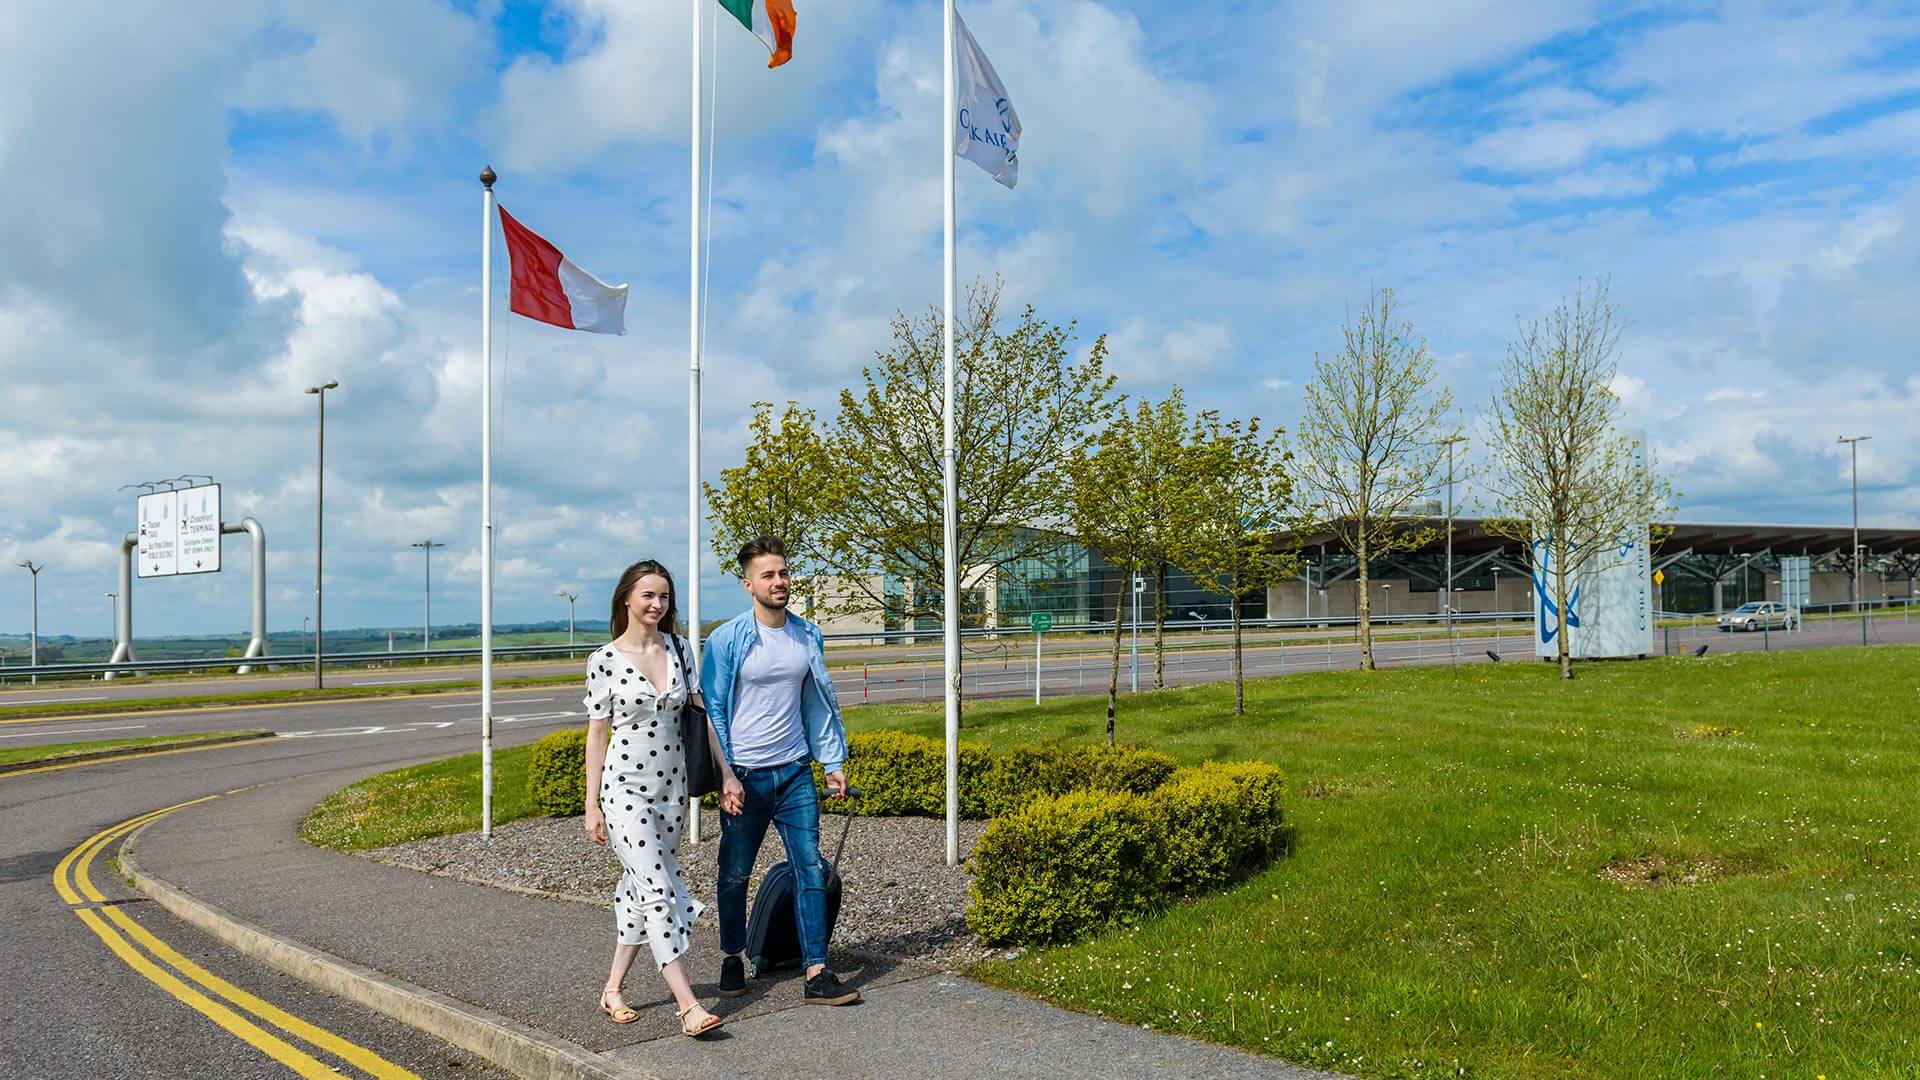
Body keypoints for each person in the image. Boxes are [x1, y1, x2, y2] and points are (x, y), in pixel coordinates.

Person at [700, 535, 860, 1005]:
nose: (779, 582)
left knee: (808, 867)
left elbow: (814, 705)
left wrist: (832, 762)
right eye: (768, 575)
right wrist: (725, 775)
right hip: (745, 775)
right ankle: (733, 955)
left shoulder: (807, 635)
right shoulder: (727, 639)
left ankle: (817, 970)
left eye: (783, 573)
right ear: (748, 584)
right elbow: (713, 710)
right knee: (734, 873)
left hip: (793, 772)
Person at [581, 559, 728, 1037]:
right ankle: (688, 1005)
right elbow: (597, 735)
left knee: (640, 892)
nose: (656, 604)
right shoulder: (604, 659)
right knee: (660, 890)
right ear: (626, 597)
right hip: (623, 789)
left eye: (664, 597)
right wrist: (591, 804)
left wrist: (727, 775)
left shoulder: (681, 649)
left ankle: (612, 988)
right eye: (647, 595)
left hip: (672, 790)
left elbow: (702, 718)